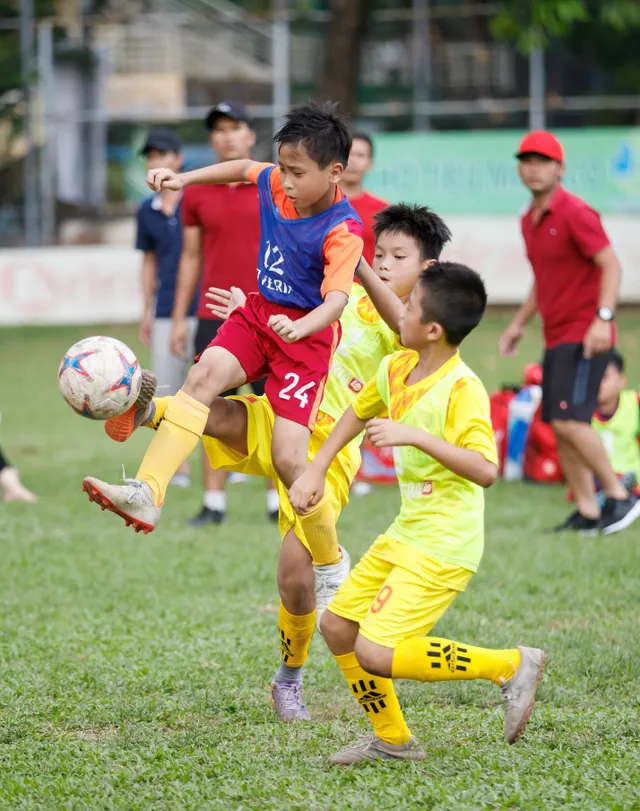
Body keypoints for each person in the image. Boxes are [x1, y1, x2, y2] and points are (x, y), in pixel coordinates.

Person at [98, 203, 452, 722]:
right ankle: (144, 409)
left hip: (326, 451)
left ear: (425, 269)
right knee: (216, 414)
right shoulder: (338, 295)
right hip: (284, 415)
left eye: (397, 256)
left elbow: (402, 333)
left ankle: (289, 677)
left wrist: (358, 269)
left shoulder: (414, 324)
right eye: (378, 253)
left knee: (294, 579)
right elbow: (289, 327)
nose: (381, 262)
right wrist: (257, 310)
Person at [289, 262, 546, 765]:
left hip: (447, 540)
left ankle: (511, 665)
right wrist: (316, 468)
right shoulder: (395, 367)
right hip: (408, 529)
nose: (398, 310)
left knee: (376, 652)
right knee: (338, 626)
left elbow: (486, 468)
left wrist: (416, 436)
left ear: (433, 330)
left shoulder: (462, 388)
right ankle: (394, 740)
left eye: (408, 307)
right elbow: (357, 411)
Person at [82, 102, 364, 543]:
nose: (284, 181)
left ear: (333, 172)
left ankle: (328, 557)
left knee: (288, 458)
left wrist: (304, 326)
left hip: (305, 341)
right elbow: (244, 167)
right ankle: (147, 492)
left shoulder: (343, 229)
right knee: (201, 378)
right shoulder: (275, 182)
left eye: (297, 172)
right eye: (283, 168)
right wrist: (185, 179)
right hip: (257, 315)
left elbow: (337, 301)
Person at [500, 129, 640, 536]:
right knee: (556, 421)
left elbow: (611, 265)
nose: (534, 168)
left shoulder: (576, 212)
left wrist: (604, 317)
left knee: (570, 422)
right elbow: (542, 280)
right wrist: (517, 324)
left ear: (560, 169)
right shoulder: (529, 220)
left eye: (543, 161)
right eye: (527, 161)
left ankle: (619, 496)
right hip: (556, 335)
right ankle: (588, 510)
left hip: (586, 333)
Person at [178, 101, 276, 525]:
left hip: (268, 310)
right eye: (219, 129)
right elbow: (190, 256)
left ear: (251, 135)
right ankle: (213, 503)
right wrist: (182, 314)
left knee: (276, 405)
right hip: (213, 311)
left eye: (236, 127)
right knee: (208, 405)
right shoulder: (196, 191)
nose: (228, 136)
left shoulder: (273, 183)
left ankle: (278, 501)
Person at [133, 128, 195, 489]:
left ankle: (231, 465)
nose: (156, 161)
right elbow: (148, 263)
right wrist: (145, 310)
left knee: (213, 389)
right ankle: (179, 470)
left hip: (203, 306)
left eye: (163, 154)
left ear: (178, 159)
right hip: (164, 308)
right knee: (166, 389)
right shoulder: (147, 211)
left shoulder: (198, 201)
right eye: (151, 155)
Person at [592, 351, 640, 499]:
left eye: (604, 377)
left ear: (621, 381)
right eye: (594, 376)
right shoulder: (582, 409)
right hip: (597, 477)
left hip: (632, 476)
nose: (598, 382)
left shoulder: (634, 403)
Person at [339, 131, 388, 265]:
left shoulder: (383, 210)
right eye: (348, 154)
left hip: (367, 286)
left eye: (360, 155)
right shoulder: (317, 205)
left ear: (370, 163)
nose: (352, 160)